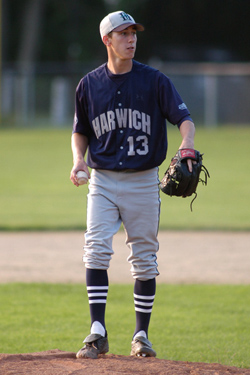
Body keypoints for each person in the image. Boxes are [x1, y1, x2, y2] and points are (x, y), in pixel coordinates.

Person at [70, 10, 195, 359]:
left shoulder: (154, 81)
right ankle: (97, 331)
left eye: (134, 32)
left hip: (143, 182)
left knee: (144, 259)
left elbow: (184, 119)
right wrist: (78, 160)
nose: (131, 39)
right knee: (95, 248)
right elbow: (80, 131)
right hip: (103, 180)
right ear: (107, 40)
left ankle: (141, 335)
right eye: (123, 34)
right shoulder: (89, 84)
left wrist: (187, 143)